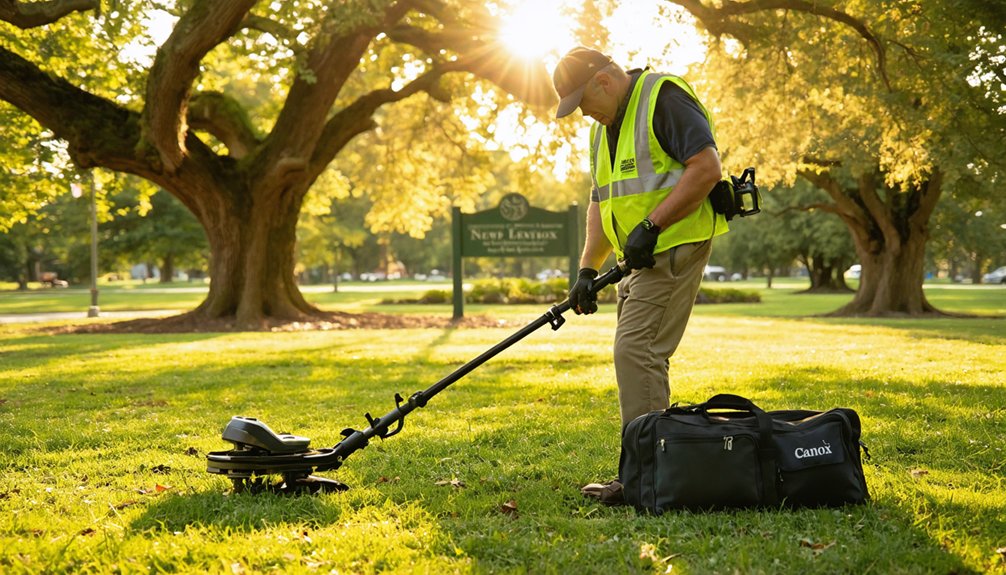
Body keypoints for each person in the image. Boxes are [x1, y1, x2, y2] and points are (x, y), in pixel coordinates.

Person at [551, 47, 729, 504]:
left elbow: (707, 168)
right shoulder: (602, 129)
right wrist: (587, 269)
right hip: (639, 258)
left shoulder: (663, 97)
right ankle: (654, 470)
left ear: (604, 81)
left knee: (637, 351)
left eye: (583, 102)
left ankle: (647, 479)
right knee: (638, 355)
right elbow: (601, 202)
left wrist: (652, 225)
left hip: (673, 245)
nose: (582, 113)